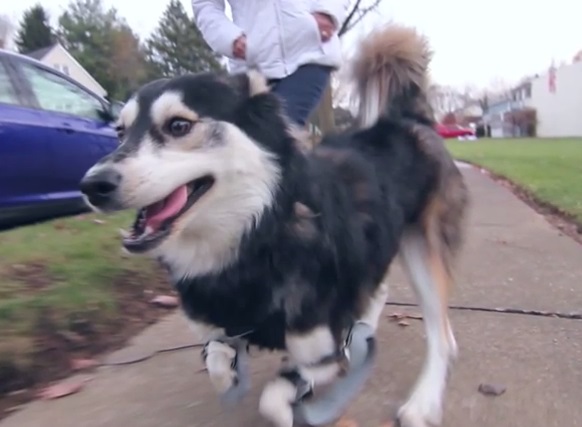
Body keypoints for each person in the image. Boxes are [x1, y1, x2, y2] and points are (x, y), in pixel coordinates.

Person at [192, 0, 350, 127]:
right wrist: (230, 39)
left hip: (308, 52)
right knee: (251, 137)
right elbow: (206, 6)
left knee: (280, 129)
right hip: (252, 62)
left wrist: (327, 12)